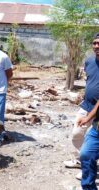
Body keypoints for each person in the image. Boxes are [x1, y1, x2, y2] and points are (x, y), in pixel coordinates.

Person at [63, 33, 99, 180]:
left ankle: (90, 165)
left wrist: (88, 117)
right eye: (95, 43)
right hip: (86, 105)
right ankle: (82, 159)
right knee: (77, 135)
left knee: (94, 139)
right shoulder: (90, 61)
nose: (96, 46)